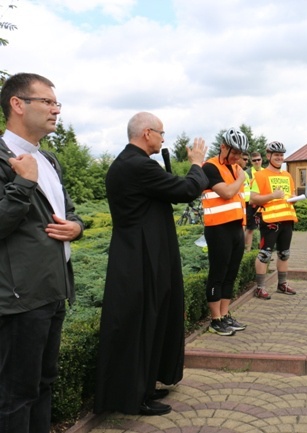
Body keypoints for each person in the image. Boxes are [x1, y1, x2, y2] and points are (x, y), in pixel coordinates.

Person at [94, 112, 208, 416]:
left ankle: (142, 385)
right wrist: (197, 162)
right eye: (161, 133)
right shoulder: (137, 165)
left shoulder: (134, 164)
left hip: (144, 251)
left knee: (151, 319)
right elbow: (186, 190)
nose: (163, 138)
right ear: (147, 133)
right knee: (140, 321)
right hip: (139, 256)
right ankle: (132, 396)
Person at [0, 73, 84, 433]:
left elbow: (70, 211)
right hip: (20, 299)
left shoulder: (48, 159)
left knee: (44, 382)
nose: (55, 110)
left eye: (56, 103)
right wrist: (22, 184)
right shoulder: (5, 159)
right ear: (18, 104)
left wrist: (77, 227)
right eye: (46, 102)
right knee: (15, 393)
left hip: (53, 290)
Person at [202, 128, 249, 336]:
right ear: (223, 147)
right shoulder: (210, 167)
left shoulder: (234, 167)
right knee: (218, 273)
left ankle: (225, 314)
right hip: (217, 228)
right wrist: (242, 178)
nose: (238, 157)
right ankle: (215, 320)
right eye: (235, 152)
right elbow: (228, 192)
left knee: (231, 273)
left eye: (241, 153)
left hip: (235, 227)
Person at [250, 141, 298, 299]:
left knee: (284, 254)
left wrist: (294, 199)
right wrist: (272, 196)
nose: (279, 158)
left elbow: (290, 195)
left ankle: (282, 284)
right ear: (268, 156)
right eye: (276, 155)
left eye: (281, 155)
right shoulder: (260, 176)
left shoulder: (287, 175)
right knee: (265, 254)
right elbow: (253, 199)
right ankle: (260, 287)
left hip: (287, 219)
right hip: (269, 220)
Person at [245, 151, 264, 252]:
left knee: (265, 228)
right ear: (251, 162)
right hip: (251, 204)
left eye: (259, 160)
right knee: (250, 229)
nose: (257, 162)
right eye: (254, 160)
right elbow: (246, 189)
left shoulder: (266, 172)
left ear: (262, 160)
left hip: (264, 203)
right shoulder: (247, 173)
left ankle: (263, 250)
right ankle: (247, 251)